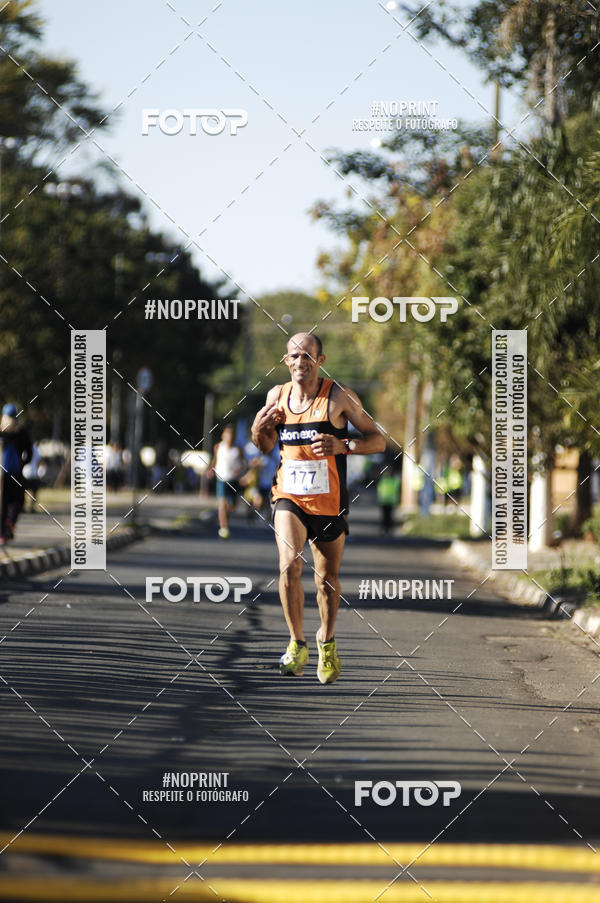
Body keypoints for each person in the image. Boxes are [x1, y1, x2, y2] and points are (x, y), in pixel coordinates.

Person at [251, 333, 386, 684]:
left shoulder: (339, 397)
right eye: (294, 356)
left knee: (326, 580)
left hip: (328, 502)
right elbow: (265, 446)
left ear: (320, 360)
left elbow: (378, 439)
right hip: (289, 497)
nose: (300, 363)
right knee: (288, 565)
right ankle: (296, 642)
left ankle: (326, 640)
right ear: (286, 361)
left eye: (307, 357)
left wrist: (344, 445)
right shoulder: (275, 397)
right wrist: (257, 430)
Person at [0, 403, 32, 544]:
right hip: (16, 474)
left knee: (3, 502)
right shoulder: (22, 432)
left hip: (2, 474)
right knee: (18, 501)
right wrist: (22, 464)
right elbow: (29, 454)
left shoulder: (2, 431)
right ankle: (10, 522)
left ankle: (2, 534)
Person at [210, 426, 245, 539]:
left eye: (231, 436)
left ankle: (225, 514)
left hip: (233, 480)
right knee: (222, 504)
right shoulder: (218, 447)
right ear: (223, 436)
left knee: (232, 506)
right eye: (226, 435)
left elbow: (244, 464)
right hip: (221, 479)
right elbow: (214, 461)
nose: (228, 438)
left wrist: (239, 471)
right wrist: (210, 470)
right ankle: (223, 527)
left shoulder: (237, 449)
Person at [377, 469, 401, 534]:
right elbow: (397, 490)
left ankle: (384, 529)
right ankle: (388, 529)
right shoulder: (395, 480)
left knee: (385, 516)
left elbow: (379, 489)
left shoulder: (383, 480)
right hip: (390, 501)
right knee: (389, 516)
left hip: (384, 500)